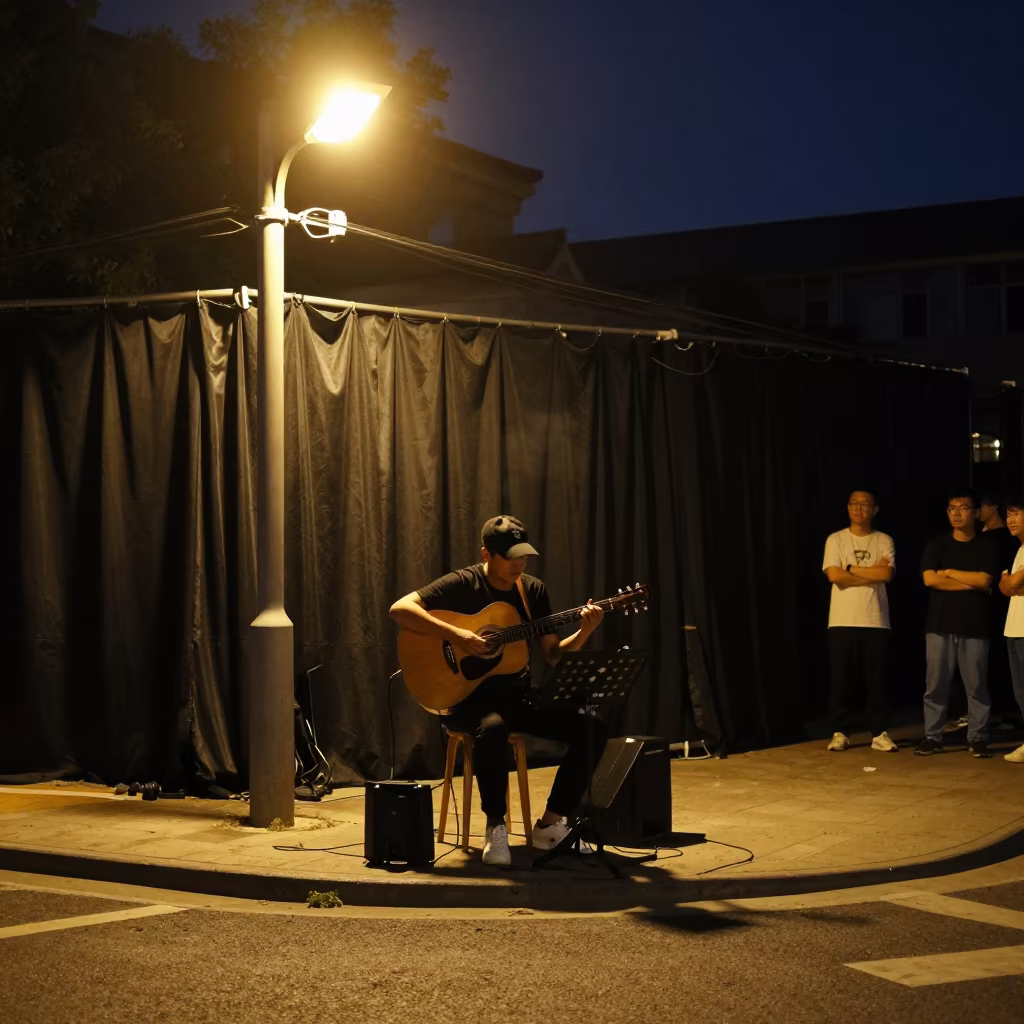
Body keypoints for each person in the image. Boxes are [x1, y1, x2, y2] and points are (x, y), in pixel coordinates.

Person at [389, 515, 606, 866]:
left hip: (517, 695)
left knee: (591, 724)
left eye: (523, 556)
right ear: (487, 555)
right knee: (492, 729)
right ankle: (496, 827)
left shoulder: (532, 590)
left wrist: (583, 632)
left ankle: (551, 825)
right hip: (468, 698)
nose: (518, 564)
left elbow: (552, 654)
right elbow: (401, 609)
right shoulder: (463, 582)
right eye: (510, 557)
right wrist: (458, 636)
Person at [916, 489, 1001, 757]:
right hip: (939, 625)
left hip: (974, 625)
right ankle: (933, 736)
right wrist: (970, 582)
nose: (956, 513)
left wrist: (950, 573)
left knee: (976, 686)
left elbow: (985, 581)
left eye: (963, 508)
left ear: (976, 513)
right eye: (952, 508)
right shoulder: (937, 544)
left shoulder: (987, 545)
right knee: (935, 685)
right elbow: (930, 579)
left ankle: (977, 736)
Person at [821, 490, 898, 752]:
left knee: (877, 680)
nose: (858, 508)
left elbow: (886, 574)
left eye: (864, 504)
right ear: (847, 508)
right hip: (842, 620)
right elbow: (834, 575)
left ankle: (879, 732)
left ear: (875, 509)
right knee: (842, 680)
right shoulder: (836, 539)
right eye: (854, 503)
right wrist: (868, 573)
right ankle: (840, 731)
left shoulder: (883, 539)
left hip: (875, 619)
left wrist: (851, 569)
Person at [998, 496, 1024, 762]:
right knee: (1020, 692)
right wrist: (1013, 584)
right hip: (1014, 628)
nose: (1011, 520)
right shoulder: (1019, 550)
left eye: (1016, 513)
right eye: (1008, 515)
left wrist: (1013, 584)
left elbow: (1013, 582)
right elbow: (1006, 587)